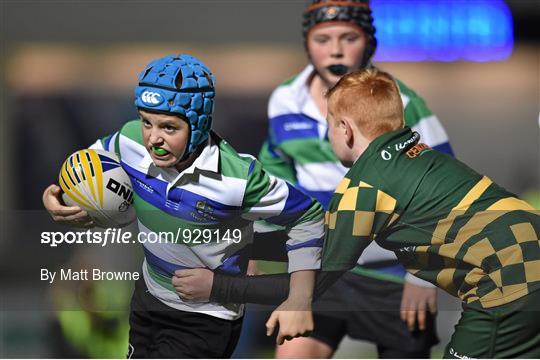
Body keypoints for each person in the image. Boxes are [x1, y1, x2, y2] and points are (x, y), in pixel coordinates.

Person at [42, 54, 325, 358]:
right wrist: (58, 197)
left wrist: (298, 300)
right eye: (146, 122)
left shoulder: (238, 178)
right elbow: (91, 166)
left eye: (169, 127)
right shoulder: (129, 139)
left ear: (200, 124)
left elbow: (308, 215)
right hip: (148, 299)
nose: (153, 139)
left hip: (205, 318)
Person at [259, 0, 449, 357]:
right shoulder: (285, 100)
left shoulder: (405, 104)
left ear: (369, 43)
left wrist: (421, 276)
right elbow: (274, 184)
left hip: (392, 276)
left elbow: (441, 194)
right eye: (323, 38)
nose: (335, 49)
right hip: (320, 272)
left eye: (348, 37)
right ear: (307, 43)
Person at [320, 68, 540, 358]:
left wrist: (241, 283)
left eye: (330, 124)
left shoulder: (365, 185)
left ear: (345, 128)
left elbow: (318, 269)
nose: (328, 134)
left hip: (512, 277)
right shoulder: (421, 153)